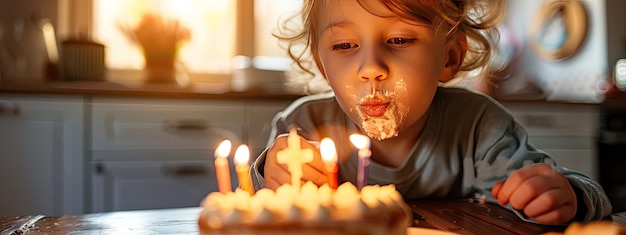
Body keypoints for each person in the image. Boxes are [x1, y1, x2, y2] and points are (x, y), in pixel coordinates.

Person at [249, 0, 612, 225]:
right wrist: (272, 175)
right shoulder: (303, 129)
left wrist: (568, 196)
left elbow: (590, 195)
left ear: (450, 57)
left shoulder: (477, 128)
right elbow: (257, 209)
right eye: (344, 45)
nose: (371, 67)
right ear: (323, 66)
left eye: (399, 40)